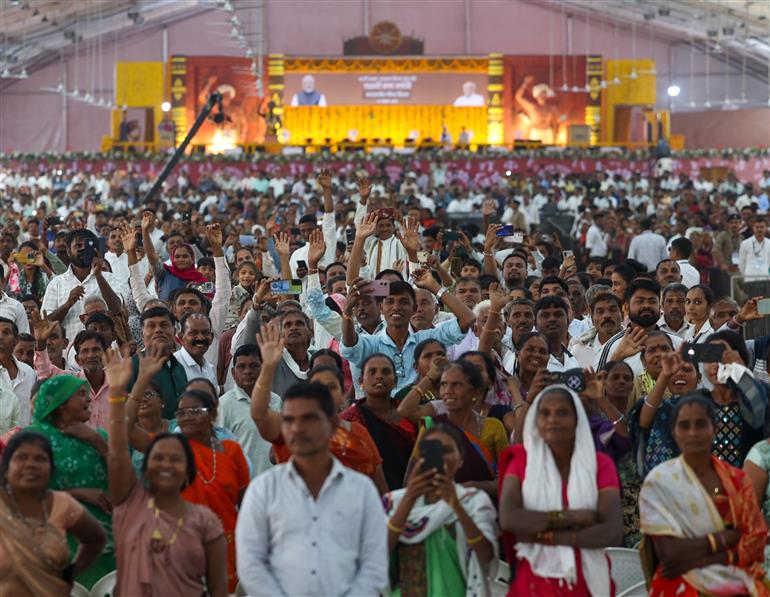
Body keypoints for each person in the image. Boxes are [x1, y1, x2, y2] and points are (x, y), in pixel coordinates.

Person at [236, 381, 389, 596]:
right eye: (289, 420)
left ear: (333, 424)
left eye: (308, 419)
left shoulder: (361, 490)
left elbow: (374, 563)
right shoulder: (263, 490)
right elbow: (251, 563)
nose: (297, 429)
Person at [639, 394, 769, 596]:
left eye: (701, 425)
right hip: (680, 584)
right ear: (673, 432)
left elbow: (756, 541)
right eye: (684, 426)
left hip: (735, 579)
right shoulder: (659, 482)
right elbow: (669, 553)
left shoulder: (736, 480)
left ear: (714, 429)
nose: (693, 433)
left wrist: (704, 559)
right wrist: (724, 538)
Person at [499, 385, 623, 596]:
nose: (553, 419)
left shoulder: (599, 465)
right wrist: (574, 517)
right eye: (545, 413)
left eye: (562, 412)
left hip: (587, 582)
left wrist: (550, 537)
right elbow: (510, 518)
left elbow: (611, 532)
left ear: (577, 420)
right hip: (534, 583)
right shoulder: (522, 462)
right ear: (536, 421)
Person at [250, 321, 387, 491]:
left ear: (342, 394)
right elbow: (259, 414)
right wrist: (268, 367)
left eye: (331, 387)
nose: (324, 393)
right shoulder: (293, 427)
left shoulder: (357, 432)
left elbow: (380, 489)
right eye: (318, 387)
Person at [383, 424, 498, 596]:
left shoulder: (473, 501)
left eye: (447, 450)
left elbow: (486, 557)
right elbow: (376, 554)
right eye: (432, 450)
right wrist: (409, 498)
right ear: (419, 458)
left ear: (460, 460)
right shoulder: (394, 502)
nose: (441, 457)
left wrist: (456, 506)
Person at [24, 375, 116, 589]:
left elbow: (124, 482)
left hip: (105, 543)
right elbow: (22, 495)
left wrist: (97, 441)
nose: (89, 399)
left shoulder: (100, 436)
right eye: (81, 394)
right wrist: (78, 493)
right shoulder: (34, 438)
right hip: (56, 541)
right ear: (61, 402)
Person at [0, 431, 106, 597]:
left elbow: (96, 539)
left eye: (40, 459)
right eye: (21, 458)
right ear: (6, 468)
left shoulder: (62, 504)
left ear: (51, 469)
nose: (31, 464)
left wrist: (72, 572)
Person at [341, 275, 474, 394]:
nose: (396, 307)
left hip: (421, 411)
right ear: (381, 308)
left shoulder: (426, 340)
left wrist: (434, 286)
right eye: (390, 301)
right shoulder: (372, 343)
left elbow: (468, 318)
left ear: (414, 309)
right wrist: (347, 312)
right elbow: (350, 346)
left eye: (404, 302)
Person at [407, 360, 508, 496]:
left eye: (457, 385)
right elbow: (412, 479)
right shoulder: (433, 427)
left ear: (476, 392)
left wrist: (479, 487)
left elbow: (508, 478)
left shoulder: (493, 427)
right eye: (444, 384)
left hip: (482, 505)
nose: (448, 391)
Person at [340, 353, 416, 490]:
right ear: (361, 381)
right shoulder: (349, 418)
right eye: (372, 372)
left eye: (386, 372)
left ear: (395, 381)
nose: (379, 376)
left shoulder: (408, 412)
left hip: (411, 488)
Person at [629, 347, 700, 477]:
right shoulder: (660, 407)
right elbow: (643, 422)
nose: (679, 374)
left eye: (686, 370)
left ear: (699, 378)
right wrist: (665, 375)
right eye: (674, 371)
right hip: (662, 483)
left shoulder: (708, 408)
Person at [217, 344, 278, 476]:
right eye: (241, 366)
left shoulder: (275, 401)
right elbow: (219, 449)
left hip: (274, 480)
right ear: (233, 373)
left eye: (254, 366)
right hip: (243, 482)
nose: (247, 371)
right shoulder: (224, 405)